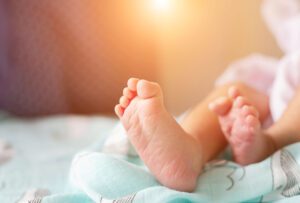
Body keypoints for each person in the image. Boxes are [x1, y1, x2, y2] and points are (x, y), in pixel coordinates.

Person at [114, 0, 300, 192]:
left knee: (241, 99)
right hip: (276, 95)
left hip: (285, 128)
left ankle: (271, 144)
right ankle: (187, 150)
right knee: (235, 94)